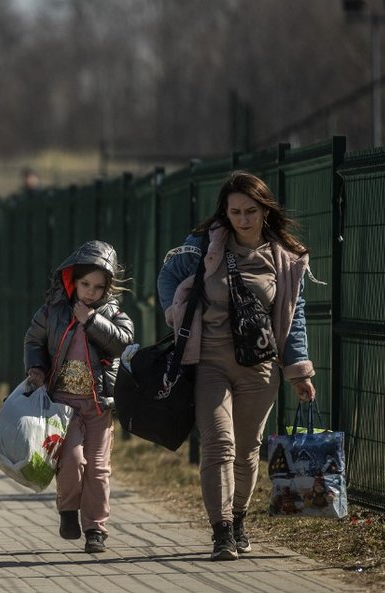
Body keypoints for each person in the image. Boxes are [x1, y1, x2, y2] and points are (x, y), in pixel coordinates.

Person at [157, 171, 317, 561]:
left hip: (259, 368)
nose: (242, 219)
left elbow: (293, 318)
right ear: (224, 213)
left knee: (247, 450)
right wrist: (175, 314)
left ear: (265, 210)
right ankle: (221, 531)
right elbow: (168, 277)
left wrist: (299, 372)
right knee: (218, 444)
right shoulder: (201, 245)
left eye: (250, 211)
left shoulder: (285, 258)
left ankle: (240, 518)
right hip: (208, 361)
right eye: (234, 212)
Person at [24, 240, 134, 554]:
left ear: (107, 288)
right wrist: (36, 368)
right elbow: (34, 339)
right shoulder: (53, 311)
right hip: (63, 406)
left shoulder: (113, 313)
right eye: (85, 284)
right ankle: (68, 510)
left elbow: (122, 342)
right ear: (72, 280)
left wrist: (92, 320)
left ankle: (96, 528)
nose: (90, 292)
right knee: (71, 461)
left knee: (99, 469)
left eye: (98, 287)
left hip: (100, 406)